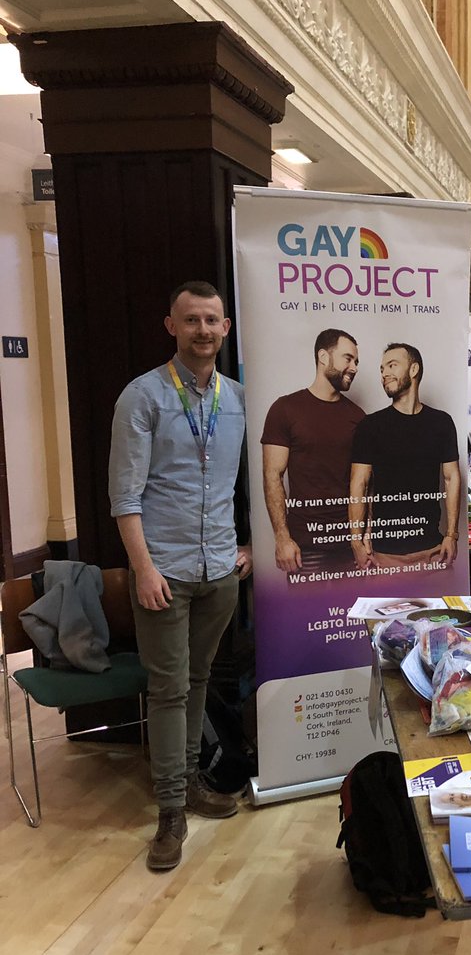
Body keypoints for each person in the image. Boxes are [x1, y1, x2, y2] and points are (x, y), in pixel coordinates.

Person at [109, 281, 252, 872]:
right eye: (190, 320)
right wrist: (142, 570)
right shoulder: (142, 397)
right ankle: (170, 811)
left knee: (197, 683)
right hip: (163, 572)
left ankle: (190, 781)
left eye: (212, 321)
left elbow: (255, 483)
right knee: (168, 690)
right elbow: (124, 495)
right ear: (172, 326)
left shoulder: (238, 398)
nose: (202, 331)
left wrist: (248, 547)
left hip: (220, 570)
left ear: (224, 328)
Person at [349, 343, 461, 569]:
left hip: (433, 550)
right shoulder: (370, 426)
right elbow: (359, 484)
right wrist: (356, 541)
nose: (384, 374)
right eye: (382, 369)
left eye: (392, 365)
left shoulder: (441, 423)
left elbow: (451, 478)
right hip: (384, 555)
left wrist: (451, 535)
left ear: (413, 370)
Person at [261, 329, 364, 575]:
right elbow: (272, 476)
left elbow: (365, 485)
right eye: (348, 358)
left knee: (353, 614)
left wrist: (362, 539)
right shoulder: (285, 409)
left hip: (349, 547)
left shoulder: (358, 417)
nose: (354, 367)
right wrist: (282, 539)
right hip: (305, 546)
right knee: (306, 614)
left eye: (357, 361)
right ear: (323, 357)